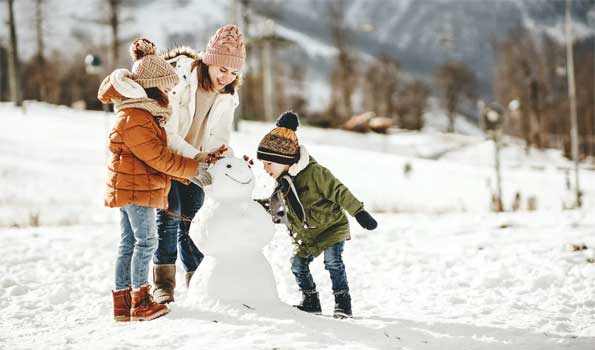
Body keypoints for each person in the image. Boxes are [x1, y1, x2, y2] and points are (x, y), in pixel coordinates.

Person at [98, 38, 212, 322]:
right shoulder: (136, 116)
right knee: (146, 242)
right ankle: (140, 300)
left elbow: (155, 158)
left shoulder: (141, 114)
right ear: (151, 86)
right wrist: (191, 168)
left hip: (134, 186)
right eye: (164, 87)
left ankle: (122, 305)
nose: (168, 93)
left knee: (128, 243)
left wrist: (184, 172)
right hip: (136, 189)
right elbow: (158, 157)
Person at [151, 24, 246, 304]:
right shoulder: (180, 79)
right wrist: (196, 156)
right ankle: (164, 284)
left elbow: (219, 137)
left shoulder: (228, 96)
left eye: (233, 73)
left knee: (193, 221)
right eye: (222, 69)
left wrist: (227, 161)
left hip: (197, 164)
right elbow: (167, 130)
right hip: (168, 158)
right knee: (169, 216)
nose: (226, 78)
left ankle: (199, 280)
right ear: (209, 61)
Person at [256, 111, 378, 319]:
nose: (265, 168)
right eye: (264, 163)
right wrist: (251, 208)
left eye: (269, 163)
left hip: (331, 228)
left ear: (285, 159)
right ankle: (311, 300)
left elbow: (339, 191)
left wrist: (359, 212)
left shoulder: (315, 173)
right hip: (306, 235)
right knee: (297, 264)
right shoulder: (283, 182)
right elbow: (276, 207)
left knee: (333, 262)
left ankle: (342, 303)